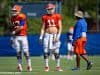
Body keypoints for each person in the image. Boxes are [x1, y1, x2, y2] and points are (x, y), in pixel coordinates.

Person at [39, 3, 63, 72]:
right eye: (48, 9)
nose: (50, 10)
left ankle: (58, 66)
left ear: (54, 8)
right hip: (47, 35)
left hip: (55, 35)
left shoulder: (57, 16)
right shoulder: (44, 17)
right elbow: (43, 28)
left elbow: (60, 27)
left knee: (56, 51)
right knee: (46, 51)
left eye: (51, 9)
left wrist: (58, 36)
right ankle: (46, 66)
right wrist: (41, 37)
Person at [10, 5, 32, 72]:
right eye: (13, 10)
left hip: (23, 36)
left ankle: (29, 65)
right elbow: (13, 27)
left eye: (15, 10)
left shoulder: (22, 16)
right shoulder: (12, 18)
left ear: (19, 11)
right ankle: (19, 65)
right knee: (18, 52)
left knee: (25, 52)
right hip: (16, 37)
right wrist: (12, 36)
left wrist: (14, 32)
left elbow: (21, 27)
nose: (13, 12)